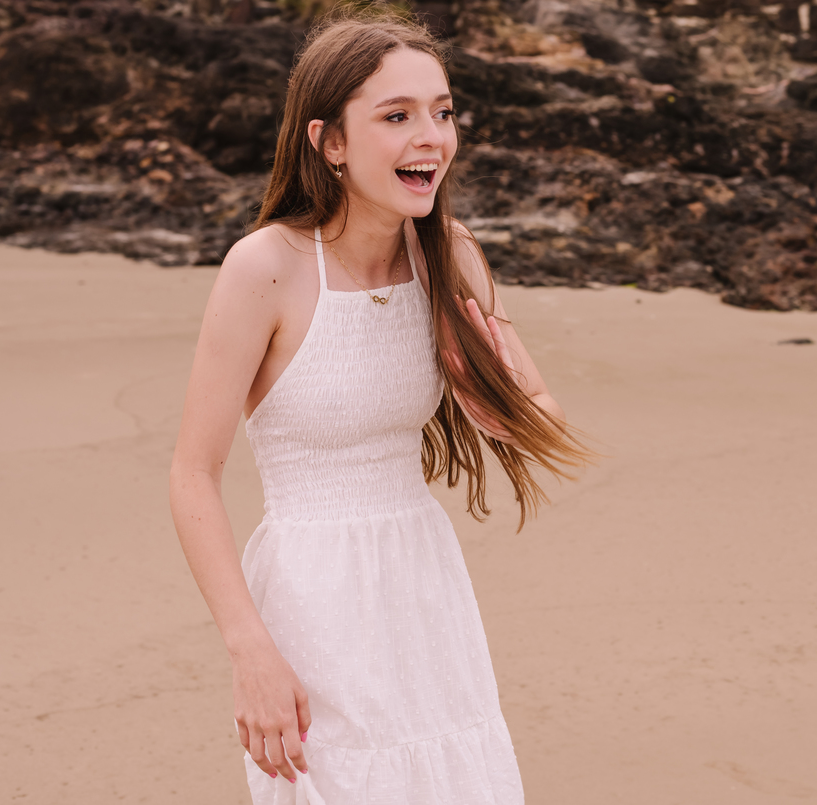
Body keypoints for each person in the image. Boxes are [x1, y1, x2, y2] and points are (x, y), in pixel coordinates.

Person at [169, 11, 590, 804]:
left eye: (442, 111)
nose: (429, 136)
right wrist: (248, 649)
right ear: (330, 141)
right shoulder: (265, 267)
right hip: (310, 593)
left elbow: (540, 415)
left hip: (422, 582)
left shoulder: (449, 252)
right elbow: (193, 473)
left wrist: (495, 391)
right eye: (396, 117)